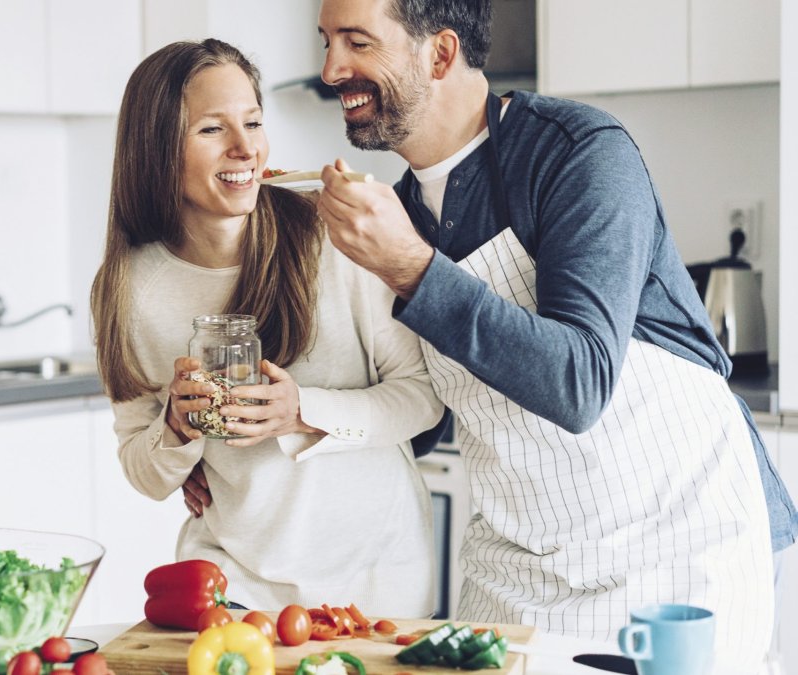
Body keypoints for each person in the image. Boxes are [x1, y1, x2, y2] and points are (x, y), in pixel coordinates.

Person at [311, 0, 798, 665]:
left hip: (675, 549)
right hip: (519, 571)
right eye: (327, 41)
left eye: (356, 42)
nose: (331, 68)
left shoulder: (579, 153)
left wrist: (412, 269)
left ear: (441, 53)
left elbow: (580, 380)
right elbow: (426, 416)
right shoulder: (398, 214)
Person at [90, 37, 444, 615]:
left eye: (252, 123)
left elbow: (423, 398)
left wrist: (302, 410)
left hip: (376, 584)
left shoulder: (337, 238)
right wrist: (178, 432)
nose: (244, 149)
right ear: (156, 148)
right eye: (211, 130)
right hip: (234, 589)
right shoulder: (127, 288)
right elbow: (144, 469)